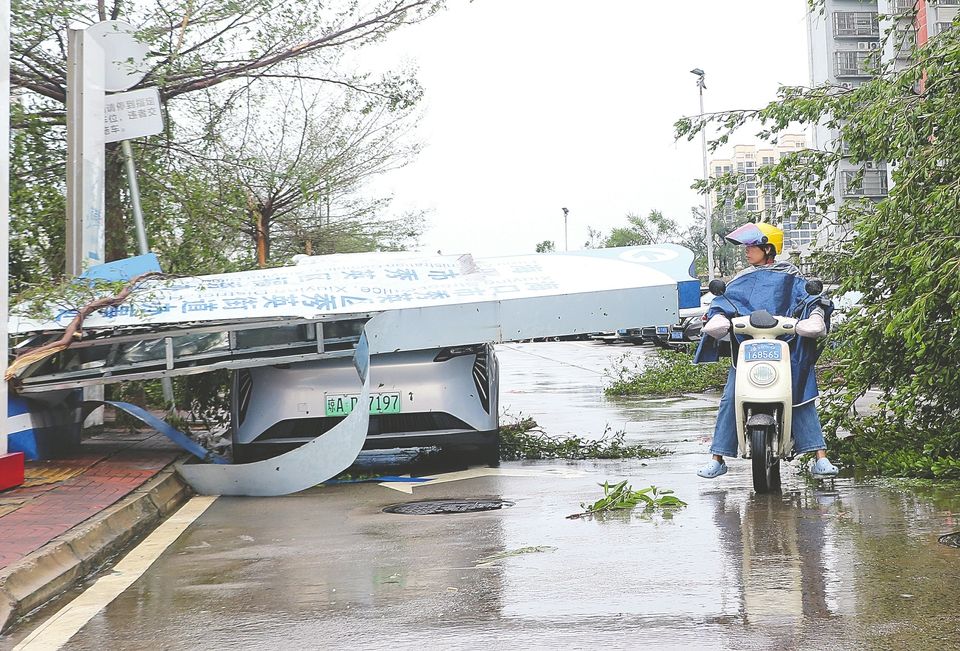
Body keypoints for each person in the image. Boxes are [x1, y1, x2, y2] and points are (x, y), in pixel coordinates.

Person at [694, 222, 839, 479]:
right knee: (730, 397)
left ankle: (820, 457)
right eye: (747, 247)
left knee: (802, 396)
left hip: (787, 349)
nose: (747, 252)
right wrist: (718, 319)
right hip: (748, 351)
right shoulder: (741, 280)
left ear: (768, 248)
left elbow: (812, 300)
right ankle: (717, 457)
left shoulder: (793, 278)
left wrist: (814, 316)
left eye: (752, 246)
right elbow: (723, 303)